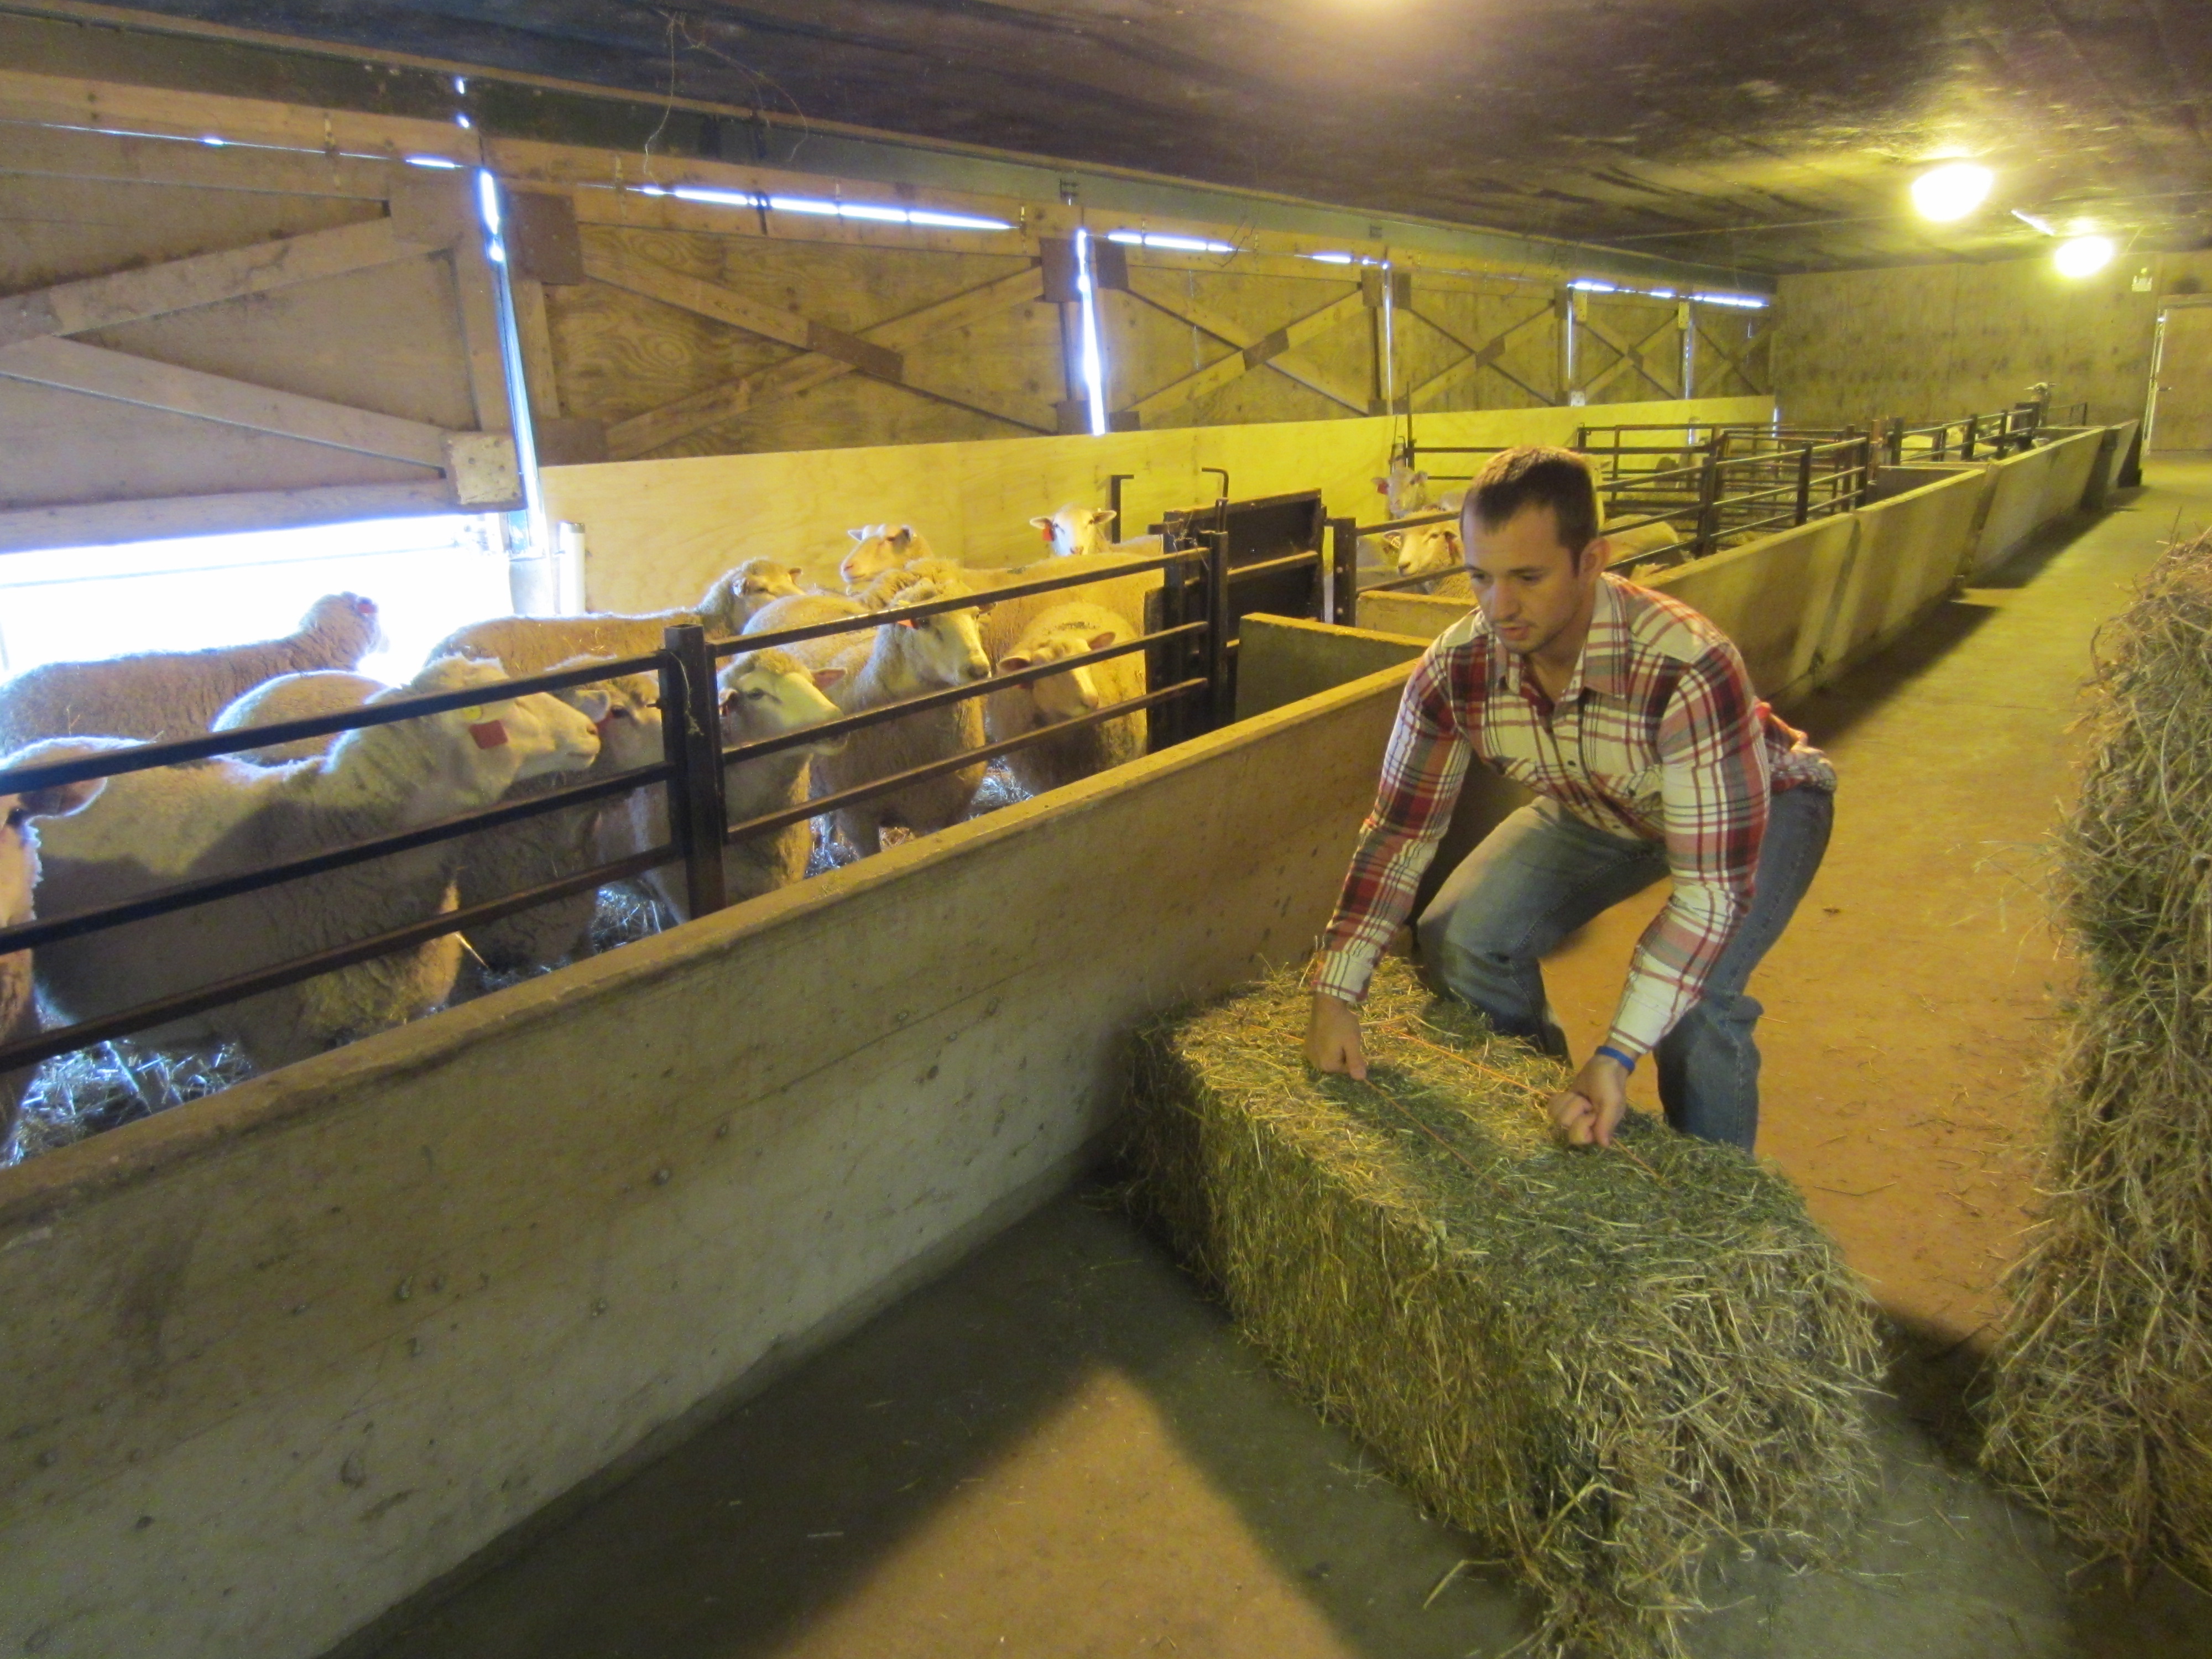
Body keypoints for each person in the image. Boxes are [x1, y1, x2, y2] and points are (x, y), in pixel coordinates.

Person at [1303, 446, 1835, 1154]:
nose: (1500, 608)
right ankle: (1554, 1119)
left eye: (1527, 577)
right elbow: (1401, 832)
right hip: (1601, 804)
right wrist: (1336, 990)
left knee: (1699, 1007)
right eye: (1479, 578)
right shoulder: (1454, 669)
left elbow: (1708, 892)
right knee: (1461, 936)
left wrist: (1617, 1054)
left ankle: (1714, 1208)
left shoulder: (1684, 665)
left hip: (1757, 808)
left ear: (1592, 560)